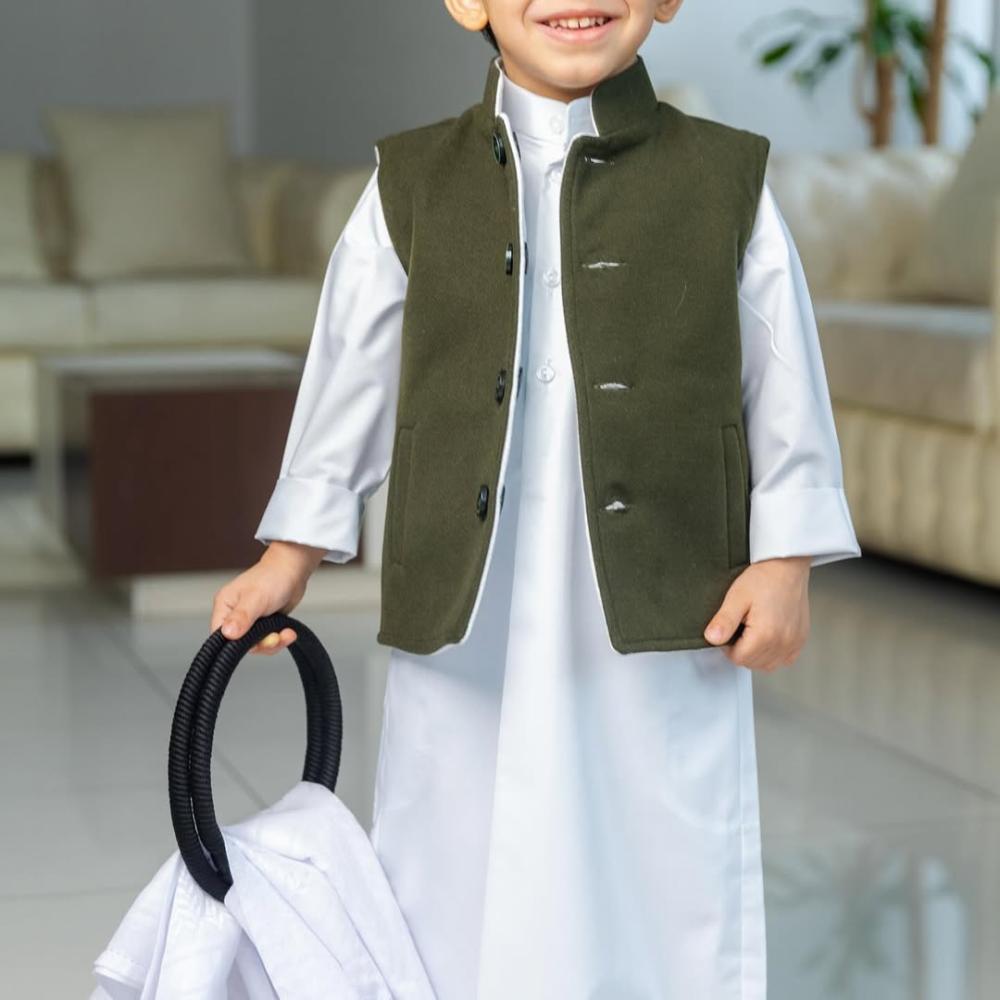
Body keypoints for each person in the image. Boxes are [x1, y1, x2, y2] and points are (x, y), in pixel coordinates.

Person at [211, 1, 861, 996]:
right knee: (452, 834)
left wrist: (784, 560)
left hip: (665, 591)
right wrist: (289, 554)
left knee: (658, 832)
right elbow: (353, 373)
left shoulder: (723, 174)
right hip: (468, 593)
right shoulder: (410, 179)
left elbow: (782, 374)